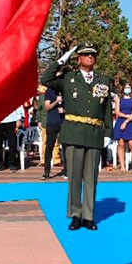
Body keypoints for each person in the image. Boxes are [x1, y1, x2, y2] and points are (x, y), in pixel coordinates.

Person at [41, 42, 112, 231]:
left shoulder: (104, 80)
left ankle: (88, 215)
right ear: (78, 58)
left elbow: (106, 108)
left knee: (91, 177)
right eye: (86, 54)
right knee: (74, 177)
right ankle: (75, 214)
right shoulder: (68, 78)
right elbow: (46, 79)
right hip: (73, 132)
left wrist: (108, 132)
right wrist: (62, 59)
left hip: (95, 133)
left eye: (93, 55)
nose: (90, 57)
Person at [113, 83, 132, 172]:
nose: (127, 89)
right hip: (120, 121)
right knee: (121, 144)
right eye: (126, 87)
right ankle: (122, 166)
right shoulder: (119, 99)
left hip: (131, 123)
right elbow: (117, 112)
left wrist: (126, 121)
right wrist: (126, 117)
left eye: (129, 87)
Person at [41, 85, 66, 179]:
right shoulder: (49, 91)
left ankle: (67, 171)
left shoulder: (65, 89)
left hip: (63, 122)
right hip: (52, 122)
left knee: (65, 147)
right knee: (49, 147)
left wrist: (64, 110)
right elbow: (47, 107)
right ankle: (46, 171)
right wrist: (56, 101)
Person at [0, 105, 23, 171]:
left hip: (11, 120)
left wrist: (19, 118)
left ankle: (12, 164)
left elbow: (18, 104)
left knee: (12, 144)